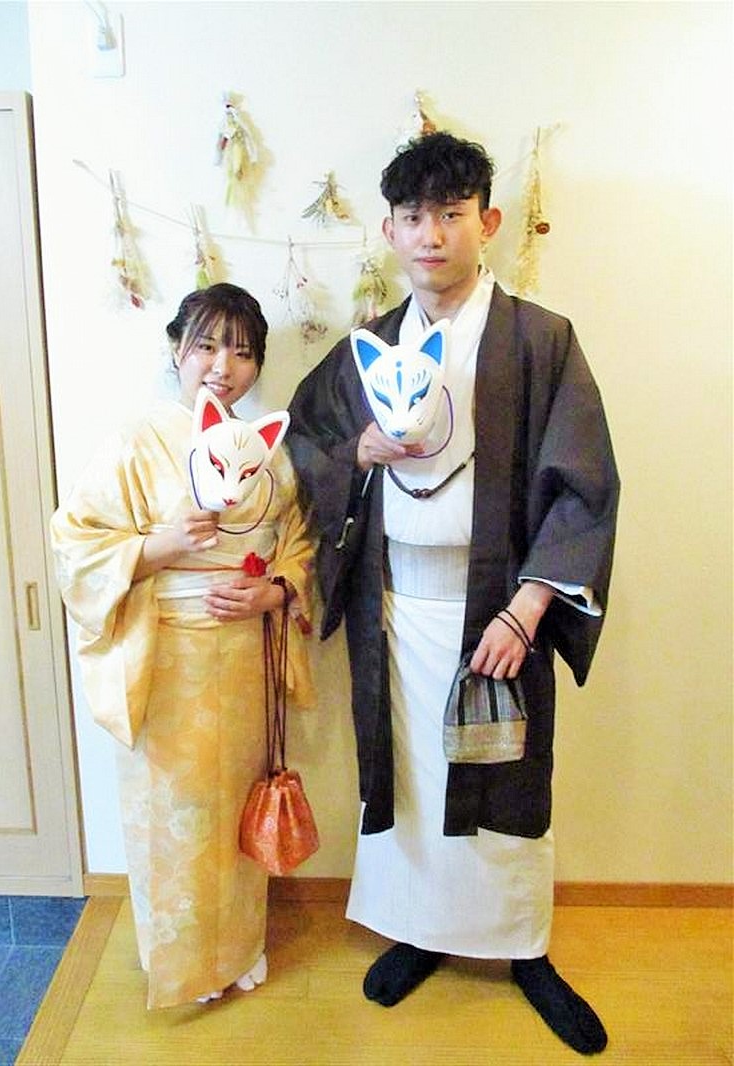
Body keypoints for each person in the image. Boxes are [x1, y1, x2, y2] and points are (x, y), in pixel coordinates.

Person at [286, 132, 619, 1055]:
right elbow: (306, 442)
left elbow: (585, 486)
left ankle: (525, 949)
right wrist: (357, 452)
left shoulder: (540, 340)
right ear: (389, 230)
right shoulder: (369, 349)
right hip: (393, 611)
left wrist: (529, 609)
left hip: (500, 612)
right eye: (413, 217)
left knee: (504, 781)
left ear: (488, 222)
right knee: (409, 777)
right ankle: (421, 931)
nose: (431, 234)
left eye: (451, 214)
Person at [51, 283, 314, 1009]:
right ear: (177, 350)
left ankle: (241, 948)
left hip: (247, 658)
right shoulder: (137, 442)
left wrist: (276, 591)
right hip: (166, 661)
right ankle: (180, 962)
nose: (223, 366)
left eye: (242, 351)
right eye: (206, 345)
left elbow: (300, 545)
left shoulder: (267, 452)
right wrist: (157, 547)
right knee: (175, 817)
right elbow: (76, 542)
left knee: (237, 814)